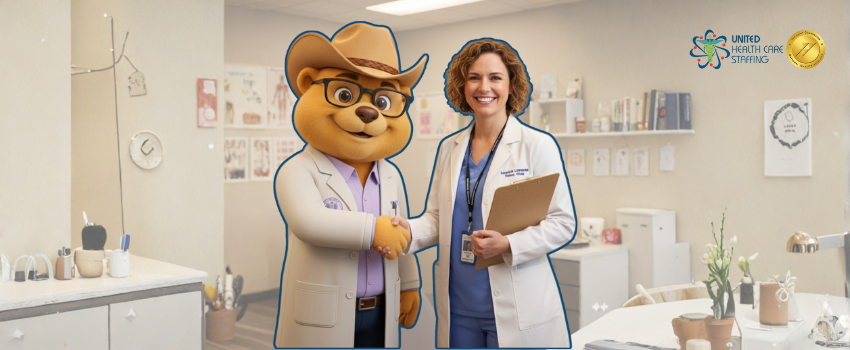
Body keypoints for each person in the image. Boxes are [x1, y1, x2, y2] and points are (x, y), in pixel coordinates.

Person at [377, 39, 576, 348]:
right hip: (458, 304)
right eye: (474, 77)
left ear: (511, 86)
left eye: (495, 77)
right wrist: (409, 229)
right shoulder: (449, 148)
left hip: (516, 303)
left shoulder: (537, 146)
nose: (484, 87)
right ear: (463, 86)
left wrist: (509, 244)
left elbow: (562, 223)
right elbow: (438, 217)